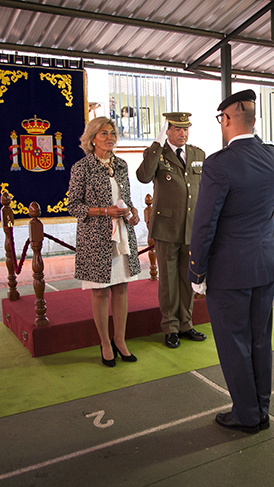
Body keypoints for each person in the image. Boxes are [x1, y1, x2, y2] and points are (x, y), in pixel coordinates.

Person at [188, 89, 274, 434]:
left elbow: (204, 223)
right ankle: (261, 408)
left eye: (220, 119)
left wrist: (197, 270)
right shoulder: (273, 156)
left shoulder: (219, 163)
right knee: (260, 339)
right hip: (265, 263)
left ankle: (246, 414)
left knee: (234, 343)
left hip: (229, 269)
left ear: (227, 119)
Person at [67, 116, 141, 367]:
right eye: (103, 133)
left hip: (120, 234)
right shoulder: (82, 167)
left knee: (121, 287)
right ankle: (105, 343)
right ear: (92, 139)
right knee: (99, 290)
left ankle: (120, 340)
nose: (110, 137)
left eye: (112, 133)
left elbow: (126, 197)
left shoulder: (121, 164)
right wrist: (103, 211)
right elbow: (73, 206)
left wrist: (133, 212)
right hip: (95, 238)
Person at [136, 112, 207, 349]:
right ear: (167, 131)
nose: (182, 134)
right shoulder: (156, 154)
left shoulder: (198, 154)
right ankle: (170, 327)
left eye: (185, 129)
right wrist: (155, 146)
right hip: (166, 228)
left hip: (191, 227)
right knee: (168, 281)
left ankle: (186, 324)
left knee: (188, 279)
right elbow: (144, 176)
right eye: (177, 129)